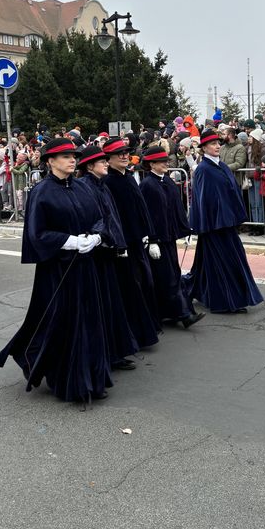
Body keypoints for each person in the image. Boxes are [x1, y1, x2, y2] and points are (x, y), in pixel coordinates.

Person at [0, 137, 113, 403]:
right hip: (58, 271)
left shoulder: (83, 188)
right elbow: (37, 233)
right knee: (62, 322)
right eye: (65, 156)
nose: (72, 159)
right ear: (50, 162)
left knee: (90, 320)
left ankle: (92, 378)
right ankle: (67, 380)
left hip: (86, 267)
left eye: (73, 155)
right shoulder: (42, 192)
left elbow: (100, 217)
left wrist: (95, 237)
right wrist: (69, 241)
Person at [182, 128, 264, 314]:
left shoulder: (222, 166)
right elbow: (202, 200)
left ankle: (189, 290)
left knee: (207, 264)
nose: (217, 146)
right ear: (203, 148)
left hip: (226, 223)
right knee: (224, 262)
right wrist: (204, 225)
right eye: (212, 143)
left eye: (218, 143)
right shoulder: (204, 169)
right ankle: (225, 302)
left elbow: (231, 191)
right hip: (213, 226)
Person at [76, 144, 140, 370]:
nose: (105, 163)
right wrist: (102, 239)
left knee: (112, 303)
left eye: (105, 160)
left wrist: (119, 243)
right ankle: (104, 356)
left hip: (108, 251)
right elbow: (94, 219)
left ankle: (114, 353)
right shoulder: (85, 186)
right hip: (97, 254)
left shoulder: (101, 185)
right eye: (101, 161)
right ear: (90, 165)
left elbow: (113, 219)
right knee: (101, 306)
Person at [102, 136, 161, 349]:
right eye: (120, 153)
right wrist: (120, 244)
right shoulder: (108, 181)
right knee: (130, 286)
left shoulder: (128, 176)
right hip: (123, 243)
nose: (125, 156)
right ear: (108, 159)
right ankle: (134, 334)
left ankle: (147, 328)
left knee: (145, 282)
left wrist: (149, 235)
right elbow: (113, 216)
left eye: (126, 152)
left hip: (136, 239)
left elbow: (140, 208)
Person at [139, 145, 204, 328]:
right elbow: (146, 215)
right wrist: (151, 240)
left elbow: (177, 208)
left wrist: (186, 231)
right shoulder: (147, 185)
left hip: (169, 237)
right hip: (157, 240)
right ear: (152, 164)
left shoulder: (167, 182)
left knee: (171, 275)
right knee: (169, 278)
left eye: (166, 160)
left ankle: (173, 313)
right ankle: (184, 315)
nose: (166, 163)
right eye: (162, 161)